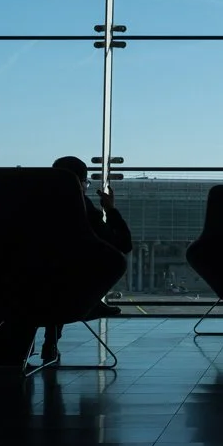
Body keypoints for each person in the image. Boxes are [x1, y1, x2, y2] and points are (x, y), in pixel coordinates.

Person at [39, 156, 132, 363]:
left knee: (51, 273)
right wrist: (111, 210)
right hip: (71, 286)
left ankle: (47, 342)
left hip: (23, 285)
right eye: (85, 183)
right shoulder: (82, 207)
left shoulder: (31, 204)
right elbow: (123, 244)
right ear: (79, 183)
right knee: (71, 270)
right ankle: (91, 302)